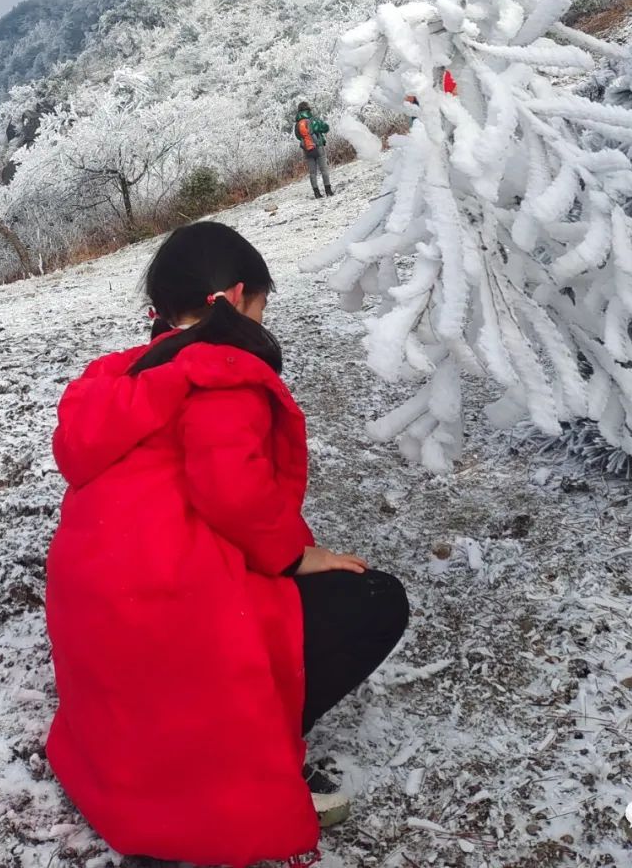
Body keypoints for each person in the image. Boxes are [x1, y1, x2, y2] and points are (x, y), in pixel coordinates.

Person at [45, 221, 409, 868]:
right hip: (173, 616)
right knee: (376, 599)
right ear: (238, 295)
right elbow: (230, 490)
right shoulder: (218, 372)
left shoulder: (115, 380)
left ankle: (161, 769)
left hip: (101, 635)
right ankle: (230, 767)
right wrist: (298, 555)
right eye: (262, 304)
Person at [294, 101, 333, 199]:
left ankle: (316, 193)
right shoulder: (313, 120)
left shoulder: (297, 125)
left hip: (307, 149)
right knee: (324, 169)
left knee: (312, 172)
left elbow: (298, 137)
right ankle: (328, 190)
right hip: (318, 146)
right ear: (308, 109)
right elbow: (325, 128)